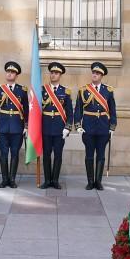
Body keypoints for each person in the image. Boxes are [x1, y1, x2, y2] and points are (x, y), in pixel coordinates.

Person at [74, 62, 116, 191]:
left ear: (102, 75)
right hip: (88, 126)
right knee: (89, 155)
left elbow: (113, 110)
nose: (95, 75)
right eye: (93, 73)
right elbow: (78, 109)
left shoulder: (108, 90)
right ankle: (90, 181)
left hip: (103, 126)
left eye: (97, 73)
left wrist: (112, 127)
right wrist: (78, 126)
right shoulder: (83, 90)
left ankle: (98, 181)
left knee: (101, 155)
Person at [0, 61, 28, 188]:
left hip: (17, 127)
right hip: (2, 126)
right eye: (8, 71)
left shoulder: (22, 90)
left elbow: (27, 109)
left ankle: (12, 179)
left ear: (16, 75)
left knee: (15, 153)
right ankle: (4, 179)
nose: (9, 74)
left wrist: (26, 126)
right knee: (3, 153)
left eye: (12, 72)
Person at [40, 61, 73, 189]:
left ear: (60, 75)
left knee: (58, 155)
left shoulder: (66, 92)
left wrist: (68, 127)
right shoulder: (42, 90)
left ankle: (55, 180)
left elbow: (70, 112)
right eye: (52, 73)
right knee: (46, 154)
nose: (53, 75)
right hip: (46, 127)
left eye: (56, 73)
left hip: (60, 128)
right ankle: (47, 180)